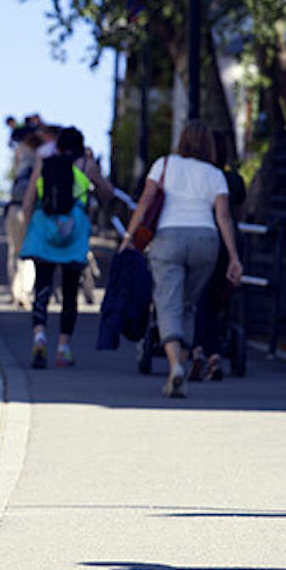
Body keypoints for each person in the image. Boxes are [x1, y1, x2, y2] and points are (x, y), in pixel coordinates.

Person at [120, 120, 243, 397]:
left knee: (167, 301)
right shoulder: (215, 175)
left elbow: (146, 201)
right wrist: (233, 256)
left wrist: (129, 237)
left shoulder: (164, 165)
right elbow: (223, 217)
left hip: (169, 238)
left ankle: (175, 364)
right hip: (206, 241)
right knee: (189, 304)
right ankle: (187, 356)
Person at [20, 127, 113, 368]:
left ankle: (39, 337)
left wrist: (29, 230)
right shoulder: (86, 165)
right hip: (74, 231)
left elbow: (29, 200)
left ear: (58, 145)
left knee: (42, 288)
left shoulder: (44, 163)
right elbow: (107, 192)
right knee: (71, 292)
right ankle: (63, 348)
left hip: (44, 228)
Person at [188, 131, 247, 381]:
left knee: (198, 297)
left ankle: (199, 348)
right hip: (226, 242)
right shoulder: (232, 179)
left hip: (200, 236)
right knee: (217, 300)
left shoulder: (199, 176)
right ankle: (213, 351)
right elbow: (237, 212)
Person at [5, 128, 42, 308]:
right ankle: (24, 291)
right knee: (29, 253)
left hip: (13, 207)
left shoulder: (21, 159)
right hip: (30, 209)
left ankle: (14, 290)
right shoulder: (40, 160)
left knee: (14, 250)